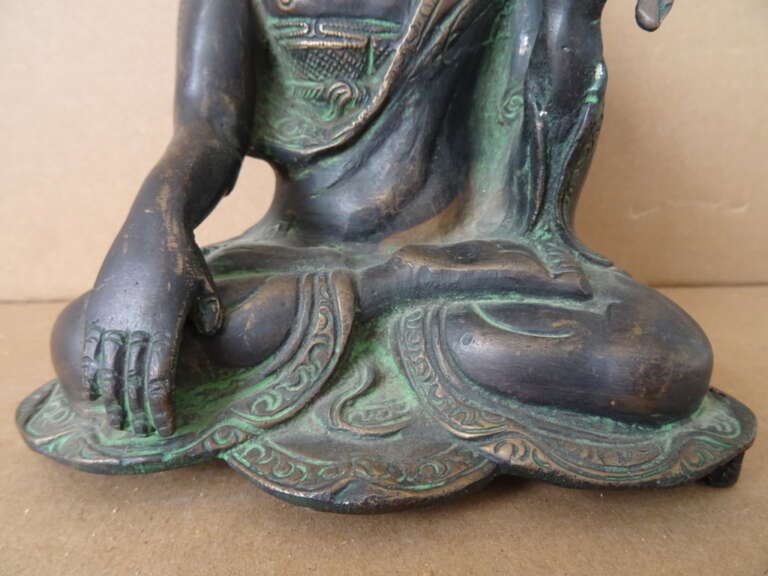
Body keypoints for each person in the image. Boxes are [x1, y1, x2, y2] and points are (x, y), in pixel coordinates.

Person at [47, 0, 704, 443]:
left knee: (654, 363)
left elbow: (545, 142)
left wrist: (572, 12)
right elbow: (207, 127)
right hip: (295, 252)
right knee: (88, 341)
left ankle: (390, 294)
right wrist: (152, 236)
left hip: (474, 254)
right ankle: (392, 287)